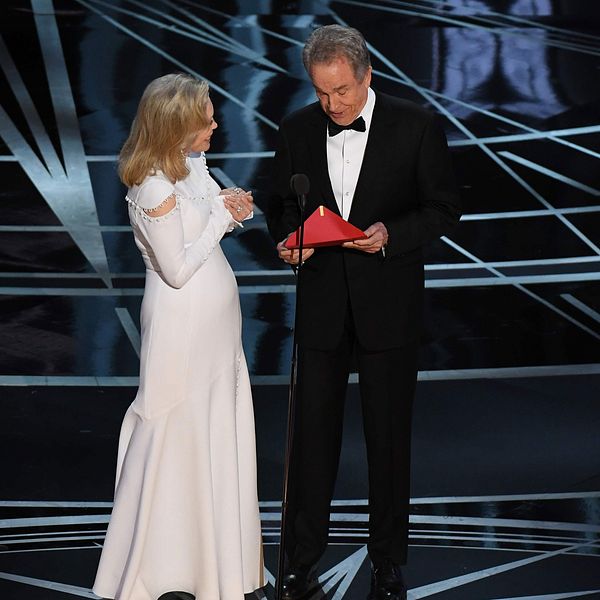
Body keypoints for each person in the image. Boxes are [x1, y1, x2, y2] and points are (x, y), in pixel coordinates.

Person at [267, 25, 461, 600]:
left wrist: (390, 234)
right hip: (322, 308)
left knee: (388, 440)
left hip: (389, 308)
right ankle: (301, 561)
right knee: (311, 443)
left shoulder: (416, 126)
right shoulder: (297, 129)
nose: (332, 104)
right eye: (322, 93)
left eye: (343, 91)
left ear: (368, 75)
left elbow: (444, 208)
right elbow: (283, 205)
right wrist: (288, 241)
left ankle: (388, 563)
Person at [93, 73, 264, 600]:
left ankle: (213, 570)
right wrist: (220, 216)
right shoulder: (153, 186)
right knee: (175, 433)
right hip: (181, 328)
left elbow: (207, 217)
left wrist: (229, 207)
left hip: (215, 334)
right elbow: (177, 268)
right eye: (206, 118)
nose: (215, 123)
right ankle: (155, 569)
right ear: (177, 125)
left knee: (210, 435)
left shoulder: (189, 165)